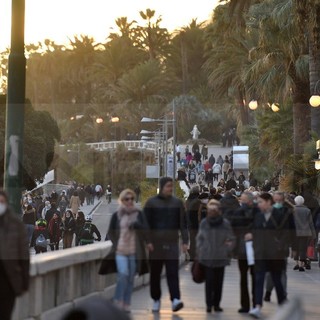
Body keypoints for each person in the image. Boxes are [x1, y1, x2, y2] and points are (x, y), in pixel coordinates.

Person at [144, 177, 189, 313]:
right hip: (156, 245)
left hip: (172, 243)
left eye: (171, 186)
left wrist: (185, 242)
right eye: (168, 186)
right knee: (155, 273)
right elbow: (145, 224)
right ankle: (156, 299)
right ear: (162, 187)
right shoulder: (151, 203)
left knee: (172, 272)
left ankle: (175, 299)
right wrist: (148, 241)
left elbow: (183, 224)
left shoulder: (177, 203)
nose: (170, 188)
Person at [107, 189, 150, 312]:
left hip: (134, 252)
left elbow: (145, 230)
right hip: (120, 251)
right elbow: (111, 232)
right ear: (122, 200)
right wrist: (116, 244)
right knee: (123, 274)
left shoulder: (139, 214)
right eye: (127, 199)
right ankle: (118, 300)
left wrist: (137, 226)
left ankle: (126, 303)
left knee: (131, 277)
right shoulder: (117, 215)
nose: (130, 201)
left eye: (132, 198)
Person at [248, 193, 290, 319]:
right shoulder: (258, 216)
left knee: (277, 280)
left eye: (260, 202)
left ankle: (282, 303)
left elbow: (286, 234)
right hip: (260, 253)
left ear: (268, 202)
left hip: (275, 255)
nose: (258, 204)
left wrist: (280, 247)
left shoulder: (279, 215)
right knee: (259, 279)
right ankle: (257, 306)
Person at [196, 200, 235, 313]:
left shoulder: (225, 223)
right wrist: (202, 249)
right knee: (209, 282)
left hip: (221, 256)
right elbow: (199, 238)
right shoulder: (204, 223)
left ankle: (217, 304)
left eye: (214, 209)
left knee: (218, 282)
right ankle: (209, 304)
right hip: (207, 256)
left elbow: (231, 238)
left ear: (219, 210)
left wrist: (227, 249)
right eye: (210, 209)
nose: (212, 211)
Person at [0, 190, 30, 320]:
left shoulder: (16, 224)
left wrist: (25, 281)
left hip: (8, 280)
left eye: (1, 202)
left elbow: (24, 255)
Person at [230, 192, 259, 313]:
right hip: (248, 249)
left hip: (246, 249)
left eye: (243, 200)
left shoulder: (239, 212)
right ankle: (253, 304)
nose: (242, 202)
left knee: (246, 278)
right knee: (250, 277)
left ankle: (247, 305)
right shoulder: (257, 212)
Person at [292, 195, 316, 272]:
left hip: (294, 232)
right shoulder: (307, 210)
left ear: (295, 201)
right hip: (305, 232)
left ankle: (296, 263)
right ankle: (301, 264)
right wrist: (313, 233)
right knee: (303, 248)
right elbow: (310, 223)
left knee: (295, 248)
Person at [186, 186, 201, 261]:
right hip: (196, 223)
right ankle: (194, 255)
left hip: (189, 223)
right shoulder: (198, 201)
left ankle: (192, 254)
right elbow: (199, 213)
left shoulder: (188, 200)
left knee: (192, 239)